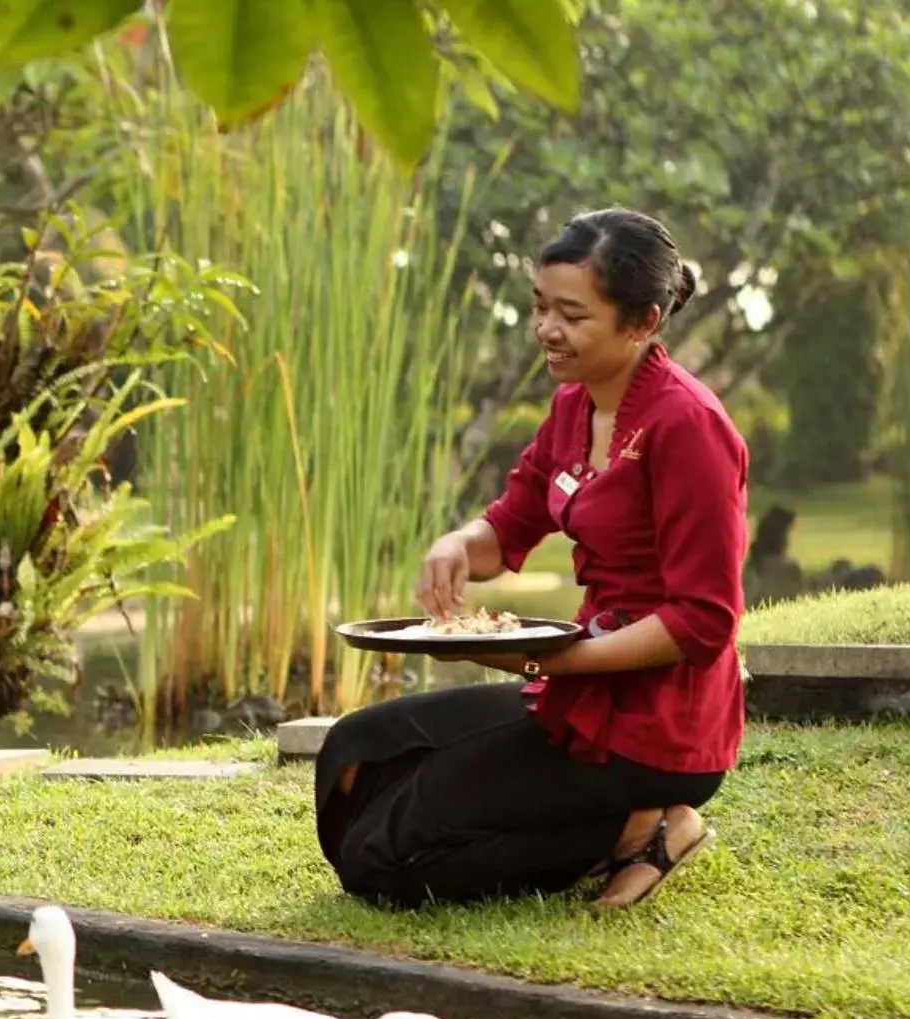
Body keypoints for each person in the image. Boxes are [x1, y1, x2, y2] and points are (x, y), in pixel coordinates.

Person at [317, 208, 748, 909]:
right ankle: (614, 826)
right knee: (357, 753)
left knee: (379, 861)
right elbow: (509, 526)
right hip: (576, 692)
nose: (547, 329)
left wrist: (551, 656)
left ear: (642, 322)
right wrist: (457, 544)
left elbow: (703, 621)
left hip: (659, 730)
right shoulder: (573, 407)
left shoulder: (689, 426)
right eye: (541, 306)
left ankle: (645, 827)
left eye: (572, 315)